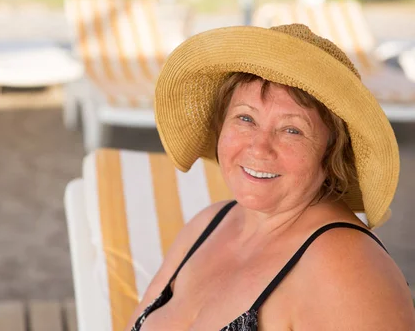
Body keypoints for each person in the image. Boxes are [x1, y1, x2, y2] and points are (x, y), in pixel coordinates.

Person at [125, 24, 415, 330]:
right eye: (246, 118)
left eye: (292, 130)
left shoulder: (348, 266)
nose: (259, 148)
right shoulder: (208, 224)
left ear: (332, 153)